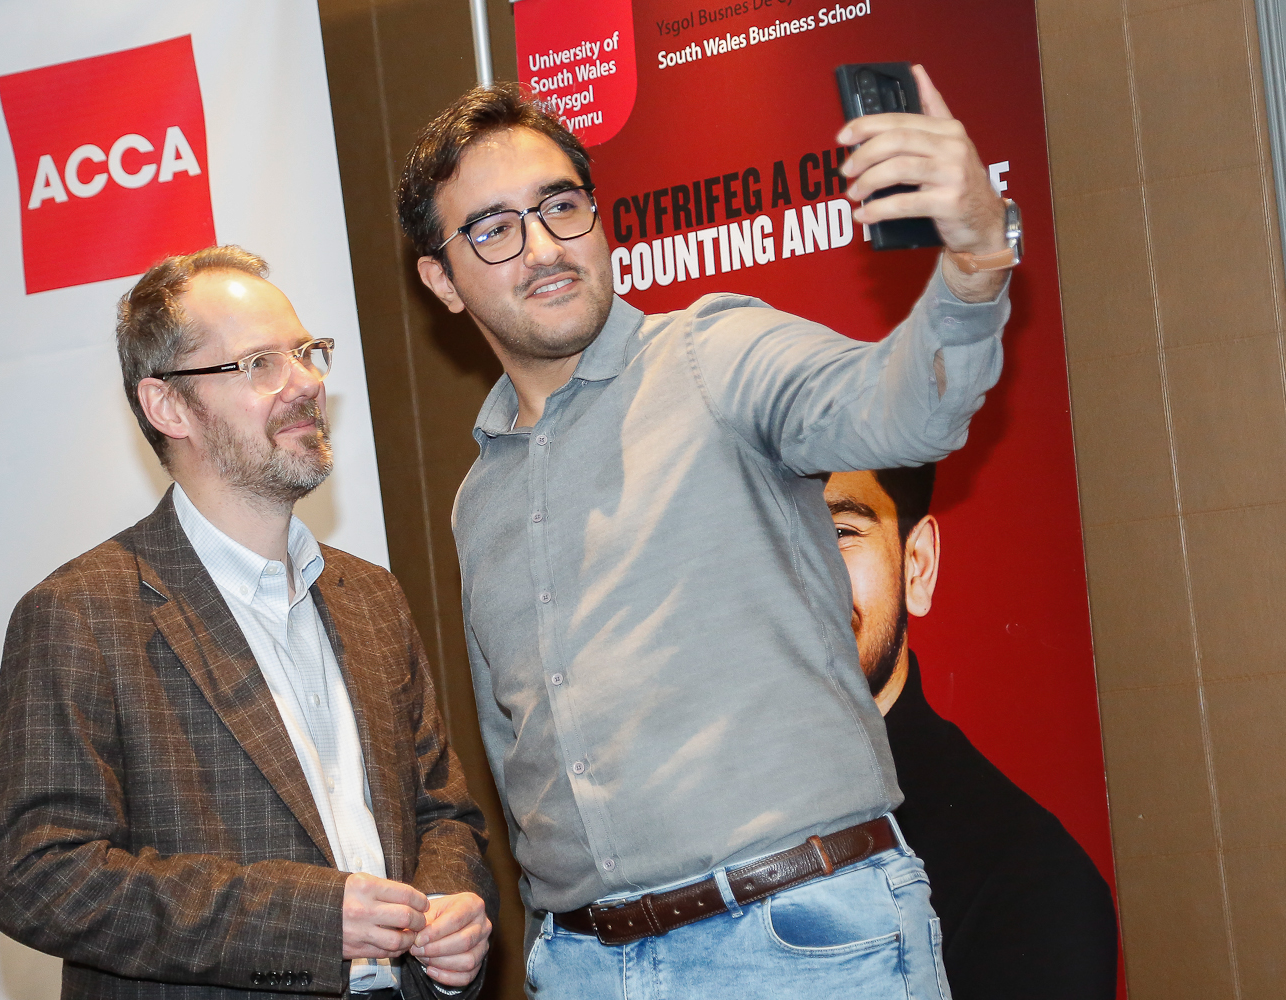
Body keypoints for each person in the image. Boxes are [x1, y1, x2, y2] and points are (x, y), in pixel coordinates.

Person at [398, 70, 1017, 999]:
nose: (544, 246)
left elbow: (906, 410)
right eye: (493, 228)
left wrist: (975, 258)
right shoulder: (478, 499)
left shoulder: (712, 354)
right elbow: (515, 748)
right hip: (585, 967)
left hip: (798, 947)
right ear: (442, 280)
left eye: (560, 205)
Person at [0, 246, 496, 1000]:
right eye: (260, 364)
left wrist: (449, 911)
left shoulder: (371, 595)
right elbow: (40, 875)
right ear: (167, 406)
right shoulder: (81, 613)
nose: (307, 383)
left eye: (307, 352)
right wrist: (310, 923)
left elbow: (442, 811)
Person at [824, 465, 1119, 1000]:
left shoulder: (1029, 884)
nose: (796, 574)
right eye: (762, 537)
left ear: (918, 565)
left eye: (841, 531)